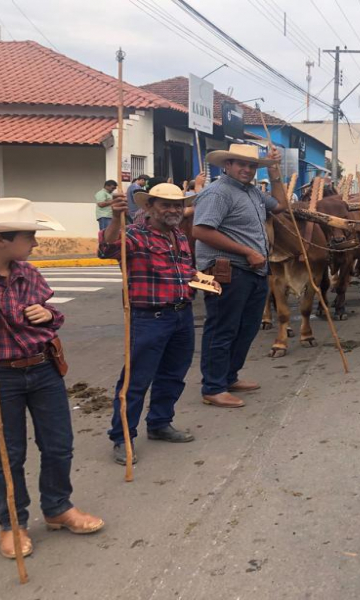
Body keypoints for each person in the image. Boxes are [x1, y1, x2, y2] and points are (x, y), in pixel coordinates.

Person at [0, 197, 103, 560]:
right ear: (0, 240)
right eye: (29, 236)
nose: (36, 243)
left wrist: (48, 314)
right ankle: (12, 522)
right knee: (8, 454)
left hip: (42, 368)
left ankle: (58, 506)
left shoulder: (28, 272)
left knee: (59, 444)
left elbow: (51, 315)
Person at [99, 183, 211, 465]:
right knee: (136, 381)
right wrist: (115, 219)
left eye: (176, 205)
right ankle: (122, 437)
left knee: (173, 375)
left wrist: (208, 282)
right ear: (149, 207)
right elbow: (106, 247)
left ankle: (160, 423)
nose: (173, 210)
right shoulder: (135, 236)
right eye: (165, 205)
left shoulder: (180, 236)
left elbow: (185, 271)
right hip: (149, 319)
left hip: (182, 316)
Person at [194, 144, 287, 408]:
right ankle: (213, 387)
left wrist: (276, 172)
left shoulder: (254, 192)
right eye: (241, 164)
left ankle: (229, 377)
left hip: (254, 270)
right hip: (226, 271)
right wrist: (247, 251)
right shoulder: (218, 193)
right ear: (227, 165)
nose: (247, 169)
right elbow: (201, 231)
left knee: (246, 328)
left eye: (252, 166)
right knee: (222, 328)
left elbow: (280, 205)